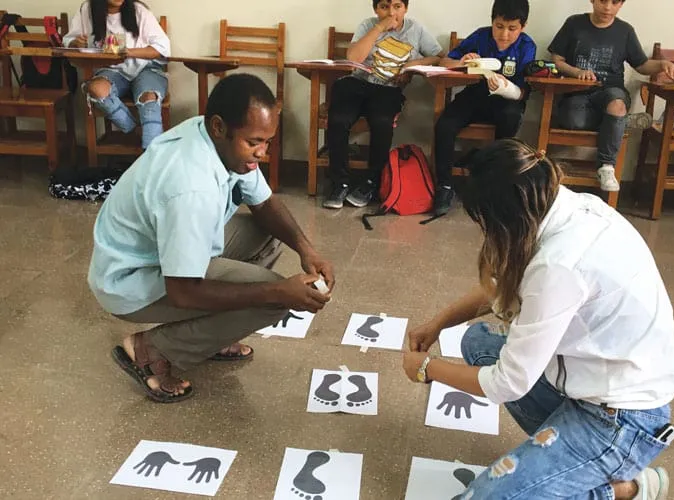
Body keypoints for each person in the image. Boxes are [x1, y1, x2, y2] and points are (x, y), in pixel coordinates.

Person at [403, 139, 674, 499]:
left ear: (505, 217)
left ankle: (625, 488)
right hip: (590, 381)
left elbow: (508, 384)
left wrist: (428, 368)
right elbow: (504, 289)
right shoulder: (564, 205)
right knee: (479, 342)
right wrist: (438, 323)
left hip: (622, 420)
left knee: (486, 497)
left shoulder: (558, 264)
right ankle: (567, 462)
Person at [88, 74, 335, 403]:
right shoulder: (192, 186)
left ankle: (211, 334)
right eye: (254, 142)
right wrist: (278, 290)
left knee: (269, 236)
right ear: (220, 127)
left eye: (268, 142)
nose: (262, 152)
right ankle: (152, 351)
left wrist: (307, 250)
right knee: (274, 299)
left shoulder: (214, 138)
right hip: (130, 279)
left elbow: (264, 202)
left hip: (163, 251)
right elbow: (183, 291)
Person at [549, 0, 674, 192]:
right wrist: (577, 72)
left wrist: (662, 64)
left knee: (616, 105)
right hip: (576, 92)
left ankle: (606, 166)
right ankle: (621, 121)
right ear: (593, 0)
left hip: (611, 91)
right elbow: (557, 59)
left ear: (621, 4)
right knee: (571, 121)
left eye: (615, 2)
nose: (608, 7)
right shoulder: (574, 23)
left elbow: (641, 65)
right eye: (602, 1)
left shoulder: (625, 31)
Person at [322, 0, 444, 210]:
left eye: (397, 6)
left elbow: (440, 57)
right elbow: (353, 57)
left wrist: (413, 65)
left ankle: (372, 181)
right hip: (356, 84)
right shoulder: (367, 25)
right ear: (375, 9)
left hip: (388, 90)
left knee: (382, 123)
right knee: (338, 120)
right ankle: (339, 182)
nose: (391, 12)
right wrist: (379, 27)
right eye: (384, 7)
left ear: (406, 8)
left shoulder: (416, 29)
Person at [433, 0, 536, 216]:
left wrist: (504, 86)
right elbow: (445, 63)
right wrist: (464, 61)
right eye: (499, 27)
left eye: (512, 28)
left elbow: (524, 91)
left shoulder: (527, 46)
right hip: (475, 95)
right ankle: (444, 186)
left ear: (523, 26)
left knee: (509, 121)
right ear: (492, 22)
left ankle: (495, 185)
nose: (504, 35)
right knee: (445, 125)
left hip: (508, 102)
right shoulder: (481, 36)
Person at [64, 0, 170, 149]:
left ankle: (152, 156)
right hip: (110, 69)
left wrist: (129, 52)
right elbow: (69, 41)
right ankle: (135, 129)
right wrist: (76, 43)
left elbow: (162, 47)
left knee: (149, 98)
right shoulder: (87, 9)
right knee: (96, 89)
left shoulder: (139, 10)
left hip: (146, 67)